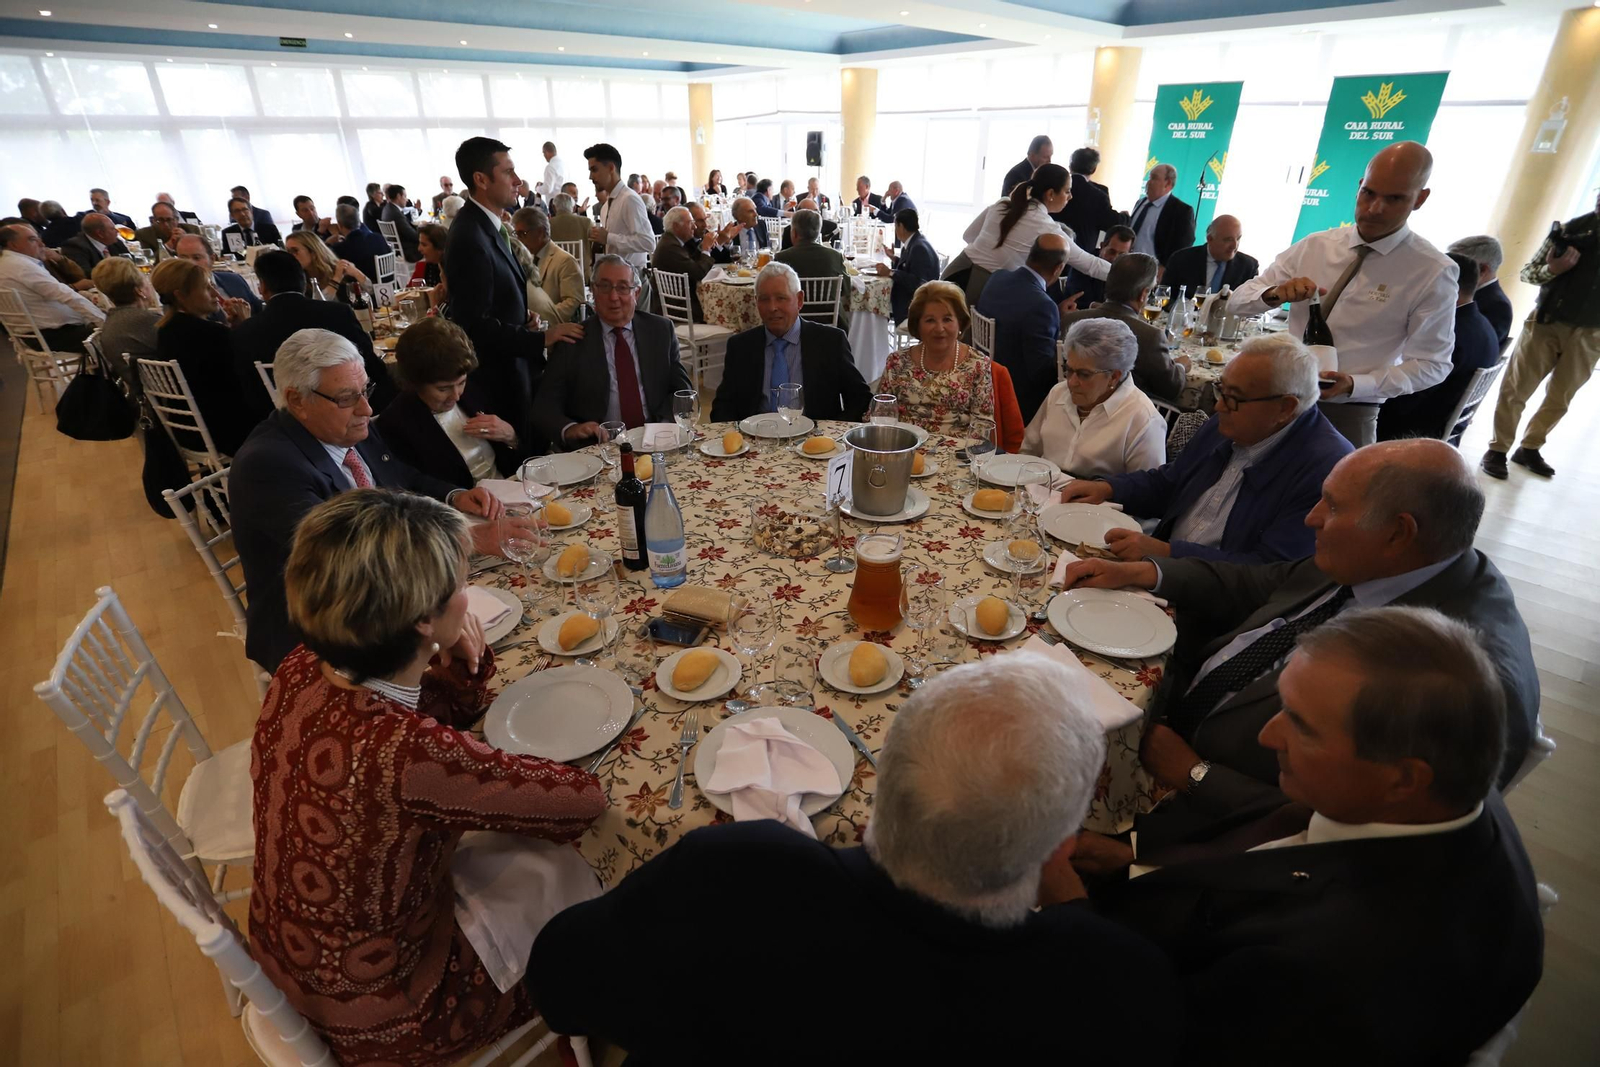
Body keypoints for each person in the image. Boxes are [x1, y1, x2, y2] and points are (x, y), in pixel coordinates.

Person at [527, 653, 1181, 1063]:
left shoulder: (738, 870)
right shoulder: (1117, 985)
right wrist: (1068, 899)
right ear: (1062, 843)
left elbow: (558, 979)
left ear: (882, 774)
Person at [1081, 606, 1542, 1066]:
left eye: (1301, 726)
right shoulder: (1448, 783)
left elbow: (1161, 1034)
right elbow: (1279, 829)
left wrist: (1068, 910)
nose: (1268, 735)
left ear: (1403, 780)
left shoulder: (1335, 973)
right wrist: (1134, 858)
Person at [251, 488, 604, 1067]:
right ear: (421, 620)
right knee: (574, 867)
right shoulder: (404, 754)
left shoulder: (301, 668)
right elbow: (578, 803)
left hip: (291, 968)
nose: (468, 598)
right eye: (462, 586)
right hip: (392, 1014)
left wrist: (460, 663)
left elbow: (436, 719)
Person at [1061, 438, 1539, 821]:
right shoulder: (1386, 558)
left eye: (1331, 506)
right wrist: (1147, 572)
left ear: (1398, 532)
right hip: (1178, 710)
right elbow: (1262, 581)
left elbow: (1361, 831)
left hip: (1206, 811)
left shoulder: (1453, 676)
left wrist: (1196, 774)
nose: (1312, 518)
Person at [229, 328, 511, 672]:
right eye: (347, 397)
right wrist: (466, 539)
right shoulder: (269, 465)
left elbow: (399, 479)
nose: (366, 408)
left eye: (365, 391)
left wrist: (456, 496)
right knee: (474, 653)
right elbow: (350, 558)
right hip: (323, 632)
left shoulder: (346, 425)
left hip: (385, 591)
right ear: (297, 400)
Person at [1231, 142, 1456, 448]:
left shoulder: (1431, 270)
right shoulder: (1315, 245)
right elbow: (1237, 301)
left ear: (1421, 199)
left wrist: (1355, 385)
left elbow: (1433, 364)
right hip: (1276, 397)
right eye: (1369, 193)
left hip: (1349, 411)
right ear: (1359, 186)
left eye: (1394, 199)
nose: (1375, 209)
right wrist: (1273, 294)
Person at [1060, 334, 1350, 564]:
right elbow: (1171, 483)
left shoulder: (1325, 471)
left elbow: (1268, 571)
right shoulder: (1229, 424)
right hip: (1164, 569)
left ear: (1285, 408)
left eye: (1233, 397)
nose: (1218, 406)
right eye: (1220, 389)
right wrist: (1108, 489)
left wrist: (1167, 553)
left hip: (1215, 609)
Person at [446, 137, 582, 447]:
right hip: (498, 376)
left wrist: (522, 318)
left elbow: (493, 301)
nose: (518, 181)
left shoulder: (487, 226)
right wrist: (540, 337)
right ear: (481, 180)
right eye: (508, 172)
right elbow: (473, 325)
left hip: (514, 362)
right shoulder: (470, 236)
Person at [1481, 187, 1599, 480]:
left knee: (1561, 397)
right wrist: (1554, 268)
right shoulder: (1572, 231)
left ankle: (1530, 447)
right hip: (1547, 323)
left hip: (1591, 333)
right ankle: (1497, 449)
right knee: (1516, 389)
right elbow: (1528, 273)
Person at [533, 255, 690, 448]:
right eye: (605, 287)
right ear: (593, 291)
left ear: (637, 293)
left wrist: (662, 427)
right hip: (597, 448)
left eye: (623, 287)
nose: (614, 297)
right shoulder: (572, 340)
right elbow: (544, 406)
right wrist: (571, 428)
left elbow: (682, 391)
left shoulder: (660, 331)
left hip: (656, 441)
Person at [230, 250, 395, 420]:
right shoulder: (337, 313)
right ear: (304, 283)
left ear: (262, 287)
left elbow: (252, 396)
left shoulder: (246, 331)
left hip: (285, 422)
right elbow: (372, 366)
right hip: (349, 412)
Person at [710, 262, 871, 423]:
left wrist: (831, 434)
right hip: (755, 439)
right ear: (756, 302)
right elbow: (723, 407)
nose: (772, 307)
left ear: (799, 300)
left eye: (781, 298)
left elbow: (860, 400)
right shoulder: (741, 347)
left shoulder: (830, 342)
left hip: (814, 440)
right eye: (764, 299)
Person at [380, 317, 527, 487]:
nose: (456, 396)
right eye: (443, 389)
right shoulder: (395, 424)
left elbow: (522, 462)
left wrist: (510, 437)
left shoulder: (476, 389)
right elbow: (414, 489)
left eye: (461, 383)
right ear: (415, 383)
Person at [878, 281, 1024, 451]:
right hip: (903, 452)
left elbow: (981, 429)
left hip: (958, 458)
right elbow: (881, 416)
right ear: (918, 325)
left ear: (960, 323)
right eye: (930, 320)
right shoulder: (897, 362)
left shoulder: (977, 365)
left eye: (947, 319)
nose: (939, 328)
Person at [947, 163, 1110, 309]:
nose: (1070, 197)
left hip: (956, 271)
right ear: (1051, 194)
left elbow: (968, 236)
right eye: (1067, 191)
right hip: (981, 286)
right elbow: (1091, 265)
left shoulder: (1002, 203)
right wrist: (1127, 274)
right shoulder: (1046, 227)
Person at [1021, 317, 1165, 478]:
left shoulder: (1143, 420)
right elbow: (1028, 450)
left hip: (1098, 502)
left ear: (1114, 377)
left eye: (1084, 374)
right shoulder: (1058, 393)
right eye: (1068, 369)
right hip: (1041, 492)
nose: (1071, 382)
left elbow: (1145, 492)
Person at [1378, 252, 1500, 441]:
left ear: (1450, 288)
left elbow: (1413, 393)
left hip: (1414, 427)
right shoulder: (1482, 324)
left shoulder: (1451, 332)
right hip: (1442, 418)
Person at [149, 257, 256, 456]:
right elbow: (249, 373)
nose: (216, 294)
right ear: (180, 295)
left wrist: (233, 331)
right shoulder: (211, 334)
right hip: (226, 431)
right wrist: (246, 328)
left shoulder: (166, 330)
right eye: (207, 289)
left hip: (188, 429)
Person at [1059, 252, 1187, 404]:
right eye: (1151, 290)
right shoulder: (1150, 336)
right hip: (1125, 413)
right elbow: (1170, 389)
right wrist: (1181, 366)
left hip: (1069, 403)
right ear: (1143, 294)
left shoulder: (1071, 320)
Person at [975, 233, 1068, 423]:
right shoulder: (1042, 306)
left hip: (987, 378)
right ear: (1059, 269)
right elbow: (1041, 373)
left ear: (1030, 255)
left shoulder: (997, 277)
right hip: (1019, 397)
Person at [0, 222, 105, 352]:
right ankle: (112, 371)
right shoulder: (22, 266)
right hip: (53, 336)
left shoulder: (7, 263)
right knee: (117, 335)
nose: (41, 244)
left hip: (34, 335)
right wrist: (103, 322)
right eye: (32, 240)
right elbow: (65, 294)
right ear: (13, 245)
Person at [89, 255, 160, 399]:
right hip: (175, 399)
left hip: (146, 398)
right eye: (145, 279)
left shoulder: (111, 322)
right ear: (139, 291)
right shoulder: (148, 322)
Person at [774, 208, 852, 330]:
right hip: (831, 323)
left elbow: (776, 293)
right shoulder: (834, 256)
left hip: (792, 320)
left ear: (794, 233)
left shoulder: (781, 257)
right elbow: (846, 289)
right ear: (818, 233)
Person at [585, 142, 654, 274]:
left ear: (611, 168)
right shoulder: (606, 206)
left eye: (594, 170)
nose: (591, 177)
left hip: (633, 279)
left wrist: (608, 238)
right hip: (615, 276)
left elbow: (648, 242)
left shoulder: (629, 199)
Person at [511, 206, 583, 325]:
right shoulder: (525, 258)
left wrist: (542, 317)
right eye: (515, 234)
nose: (518, 240)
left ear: (540, 232)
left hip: (552, 329)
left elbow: (574, 302)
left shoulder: (565, 261)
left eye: (522, 234)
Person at [650, 205, 718, 321]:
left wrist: (704, 247)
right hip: (681, 311)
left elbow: (690, 262)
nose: (694, 226)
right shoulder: (670, 247)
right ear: (676, 226)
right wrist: (706, 249)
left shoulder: (670, 241)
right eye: (690, 223)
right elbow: (699, 272)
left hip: (678, 306)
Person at [1160, 215, 1258, 295]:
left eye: (1238, 238)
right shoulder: (1181, 259)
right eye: (1228, 239)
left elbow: (1251, 304)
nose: (1234, 246)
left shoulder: (1248, 266)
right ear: (1210, 239)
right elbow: (1164, 296)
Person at [1449, 234, 1513, 349]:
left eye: (1457, 266)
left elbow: (1478, 347)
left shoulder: (1498, 305)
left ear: (1483, 270)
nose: (1448, 271)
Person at [174, 233, 263, 315]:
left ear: (212, 259)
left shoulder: (234, 280)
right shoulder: (181, 296)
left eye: (196, 258)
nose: (190, 264)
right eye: (183, 258)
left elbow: (260, 308)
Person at [1127, 164, 1196, 267]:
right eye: (1149, 177)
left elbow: (1183, 246)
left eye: (1154, 178)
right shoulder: (1140, 203)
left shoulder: (1181, 211)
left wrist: (1165, 267)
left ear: (1167, 183)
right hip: (1128, 264)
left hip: (1153, 271)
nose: (1149, 182)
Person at [880, 208, 940, 326]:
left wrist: (891, 272)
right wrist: (894, 258)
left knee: (876, 306)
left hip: (915, 305)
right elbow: (910, 267)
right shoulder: (915, 241)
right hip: (910, 298)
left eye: (895, 226)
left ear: (901, 227)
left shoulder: (919, 248)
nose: (895, 231)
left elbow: (918, 283)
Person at [1056, 146, 1120, 254]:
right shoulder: (1099, 195)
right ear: (1094, 169)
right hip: (1083, 252)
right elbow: (1109, 223)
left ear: (1070, 166)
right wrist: (1125, 217)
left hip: (1053, 247)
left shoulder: (1055, 186)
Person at [1057, 225, 1134, 310]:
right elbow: (1080, 299)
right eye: (1111, 252)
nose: (1115, 258)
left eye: (1122, 255)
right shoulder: (1084, 264)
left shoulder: (1130, 270)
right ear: (1102, 246)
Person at [285, 229, 369, 301]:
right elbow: (319, 305)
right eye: (288, 252)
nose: (290, 256)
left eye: (295, 251)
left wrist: (356, 273)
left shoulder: (338, 268)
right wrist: (336, 279)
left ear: (313, 252)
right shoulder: (296, 279)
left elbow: (373, 291)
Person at [59, 212, 130, 275]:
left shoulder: (114, 241)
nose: (117, 231)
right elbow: (86, 274)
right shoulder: (74, 247)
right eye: (112, 228)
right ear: (100, 233)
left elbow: (130, 263)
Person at [134, 200, 200, 256]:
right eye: (160, 220)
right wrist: (168, 246)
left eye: (169, 220)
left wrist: (186, 241)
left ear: (176, 219)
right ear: (154, 221)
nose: (166, 224)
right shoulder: (144, 234)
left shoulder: (192, 230)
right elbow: (149, 260)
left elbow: (202, 254)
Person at [406, 222, 448, 298]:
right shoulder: (422, 266)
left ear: (439, 248)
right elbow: (408, 292)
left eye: (424, 245)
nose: (419, 249)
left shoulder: (452, 271)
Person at [380, 184, 421, 261]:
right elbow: (411, 235)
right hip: (409, 250)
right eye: (405, 196)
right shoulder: (395, 213)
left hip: (397, 249)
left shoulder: (387, 209)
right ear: (398, 196)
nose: (407, 200)